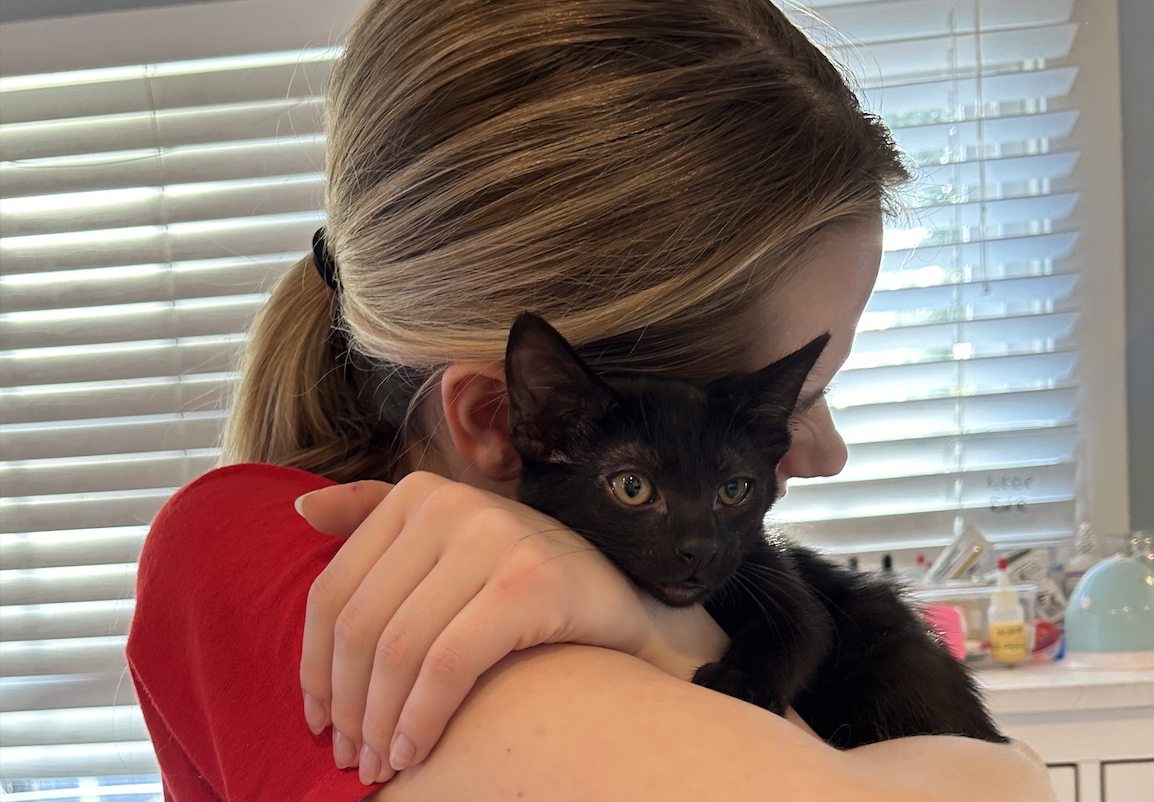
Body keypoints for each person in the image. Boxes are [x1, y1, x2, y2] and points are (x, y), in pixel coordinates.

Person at [126, 0, 1057, 800]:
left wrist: (656, 627)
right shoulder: (281, 561)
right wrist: (1015, 773)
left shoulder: (661, 593)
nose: (823, 455)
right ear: (509, 419)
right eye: (794, 404)